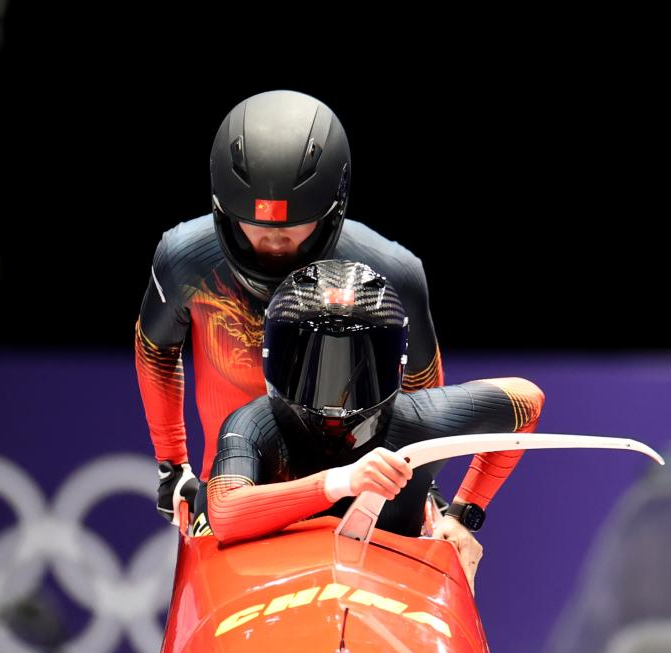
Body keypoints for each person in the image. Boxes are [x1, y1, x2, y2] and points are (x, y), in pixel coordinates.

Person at [134, 90, 470, 547]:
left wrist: (420, 481)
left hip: (366, 495)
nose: (274, 242)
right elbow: (156, 352)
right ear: (223, 209)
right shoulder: (183, 260)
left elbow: (420, 388)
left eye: (293, 225)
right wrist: (172, 465)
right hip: (238, 493)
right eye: (256, 224)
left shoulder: (393, 273)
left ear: (333, 207)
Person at [204, 261, 544, 593]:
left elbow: (528, 400)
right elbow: (224, 512)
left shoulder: (417, 418)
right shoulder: (254, 424)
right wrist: (344, 480)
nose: (334, 397)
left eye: (355, 366)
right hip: (274, 589)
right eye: (313, 365)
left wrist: (462, 514)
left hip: (388, 593)